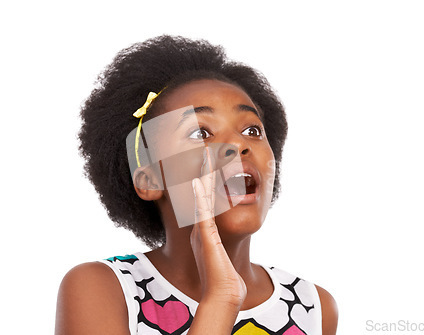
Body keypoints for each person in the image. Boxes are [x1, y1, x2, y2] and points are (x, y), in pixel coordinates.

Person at [55, 35, 338, 335]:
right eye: (201, 133)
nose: (239, 144)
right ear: (150, 179)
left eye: (252, 129)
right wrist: (221, 299)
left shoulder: (314, 308)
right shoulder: (102, 289)